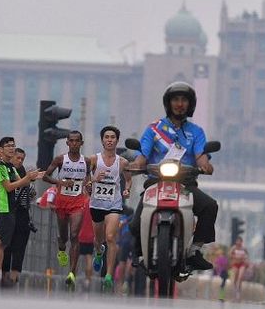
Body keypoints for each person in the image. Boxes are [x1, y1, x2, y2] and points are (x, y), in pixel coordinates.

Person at [130, 81, 217, 271]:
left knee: (210, 206)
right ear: (168, 103)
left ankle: (194, 250)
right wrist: (134, 165)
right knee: (135, 223)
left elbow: (201, 156)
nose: (179, 104)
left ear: (190, 104)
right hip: (155, 182)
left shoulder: (196, 132)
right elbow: (142, 155)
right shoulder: (153, 129)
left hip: (186, 184)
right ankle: (139, 253)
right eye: (176, 99)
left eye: (184, 100)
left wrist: (205, 165)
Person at [0, 136, 42, 286]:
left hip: (11, 209)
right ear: (1, 149)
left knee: (6, 243)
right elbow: (8, 186)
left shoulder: (11, 167)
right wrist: (27, 178)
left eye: (13, 145)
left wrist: (34, 177)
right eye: (8, 146)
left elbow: (21, 182)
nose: (11, 148)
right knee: (1, 243)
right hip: (3, 208)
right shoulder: (0, 166)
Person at [42, 130, 90, 286]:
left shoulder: (87, 161)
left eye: (77, 141)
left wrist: (88, 184)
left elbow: (89, 176)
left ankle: (72, 273)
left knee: (75, 235)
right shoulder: (60, 159)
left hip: (78, 201)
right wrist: (60, 182)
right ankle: (61, 248)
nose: (74, 143)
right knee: (64, 238)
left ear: (81, 143)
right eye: (72, 140)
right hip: (62, 201)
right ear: (67, 142)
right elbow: (45, 176)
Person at [89, 125, 131, 291]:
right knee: (99, 240)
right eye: (106, 137)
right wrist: (93, 178)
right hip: (96, 204)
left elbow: (128, 179)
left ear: (117, 140)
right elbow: (85, 182)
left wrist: (127, 189)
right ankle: (99, 252)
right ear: (102, 140)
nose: (109, 140)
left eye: (112, 137)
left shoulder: (122, 162)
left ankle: (108, 275)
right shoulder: (94, 160)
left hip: (114, 204)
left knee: (111, 237)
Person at [2, 147, 36, 286]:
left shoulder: (24, 173)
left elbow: (31, 195)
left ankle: (14, 276)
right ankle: (3, 275)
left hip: (22, 214)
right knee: (6, 246)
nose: (20, 161)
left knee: (20, 247)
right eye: (18, 158)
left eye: (22, 159)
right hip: (7, 212)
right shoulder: (5, 171)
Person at [229, 236, 249, 301]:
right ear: (236, 242)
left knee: (240, 278)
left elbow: (247, 255)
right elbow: (229, 254)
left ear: (241, 242)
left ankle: (238, 293)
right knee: (235, 278)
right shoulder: (234, 248)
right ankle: (234, 292)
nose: (238, 242)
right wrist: (235, 256)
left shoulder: (244, 248)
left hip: (242, 264)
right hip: (235, 264)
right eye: (237, 241)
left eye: (240, 241)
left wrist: (245, 259)